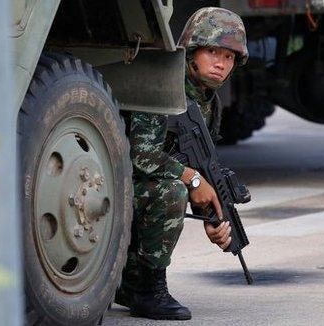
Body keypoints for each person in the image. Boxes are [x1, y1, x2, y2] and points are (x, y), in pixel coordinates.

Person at [115, 7, 249, 320]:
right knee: (172, 192)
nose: (220, 63)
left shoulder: (208, 100)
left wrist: (211, 215)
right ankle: (146, 289)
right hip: (111, 180)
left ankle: (131, 278)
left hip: (139, 185)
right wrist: (193, 180)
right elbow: (140, 155)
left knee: (182, 187)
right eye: (213, 52)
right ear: (192, 51)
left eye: (229, 57)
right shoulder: (163, 85)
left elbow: (195, 159)